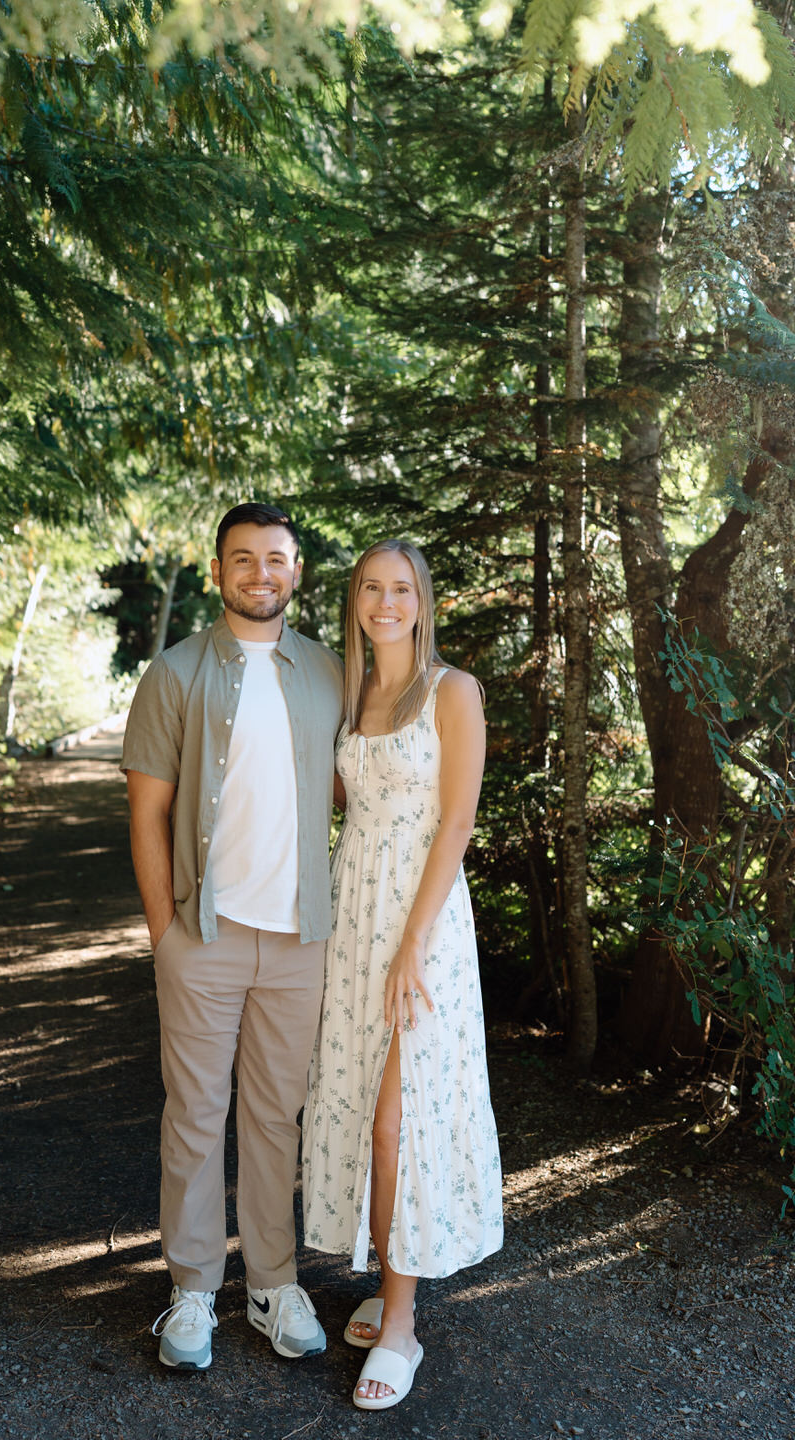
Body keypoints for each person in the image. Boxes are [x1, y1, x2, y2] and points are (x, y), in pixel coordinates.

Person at [121, 502, 343, 1370]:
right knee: (195, 1115)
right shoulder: (174, 674)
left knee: (275, 1115)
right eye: (243, 559)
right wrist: (163, 933)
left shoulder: (328, 671)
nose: (261, 574)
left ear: (297, 571)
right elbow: (148, 815)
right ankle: (191, 1291)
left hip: (300, 940)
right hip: (204, 933)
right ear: (218, 571)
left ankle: (273, 1283)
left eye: (276, 559)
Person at [301, 538, 503, 1410]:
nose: (385, 602)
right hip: (355, 914)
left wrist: (414, 943)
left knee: (399, 1120)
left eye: (401, 589)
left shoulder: (452, 692)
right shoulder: (355, 694)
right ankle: (386, 1284)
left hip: (424, 927)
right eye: (371, 588)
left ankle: (403, 1324)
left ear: (424, 602)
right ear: (356, 602)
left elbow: (455, 823)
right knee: (350, 1106)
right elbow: (345, 809)